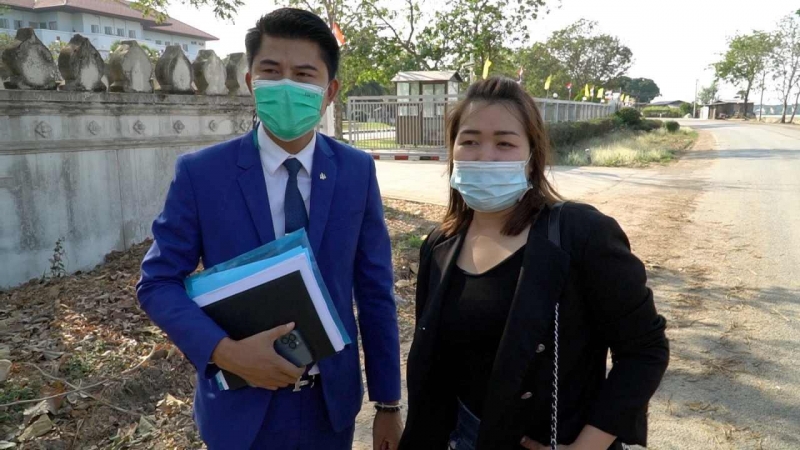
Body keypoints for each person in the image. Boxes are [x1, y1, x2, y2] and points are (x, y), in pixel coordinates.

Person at [136, 8, 403, 450]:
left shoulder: (356, 172)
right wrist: (226, 352)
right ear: (250, 81)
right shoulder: (203, 174)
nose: (286, 85)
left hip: (328, 410)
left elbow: (375, 291)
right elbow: (158, 282)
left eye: (303, 74)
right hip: (240, 413)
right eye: (272, 71)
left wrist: (388, 403)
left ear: (330, 91)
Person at [399, 77, 669, 450]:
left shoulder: (581, 234)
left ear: (532, 157)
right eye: (470, 141)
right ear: (453, 150)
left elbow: (644, 350)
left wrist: (587, 446)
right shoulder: (439, 244)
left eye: (505, 143)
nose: (485, 156)